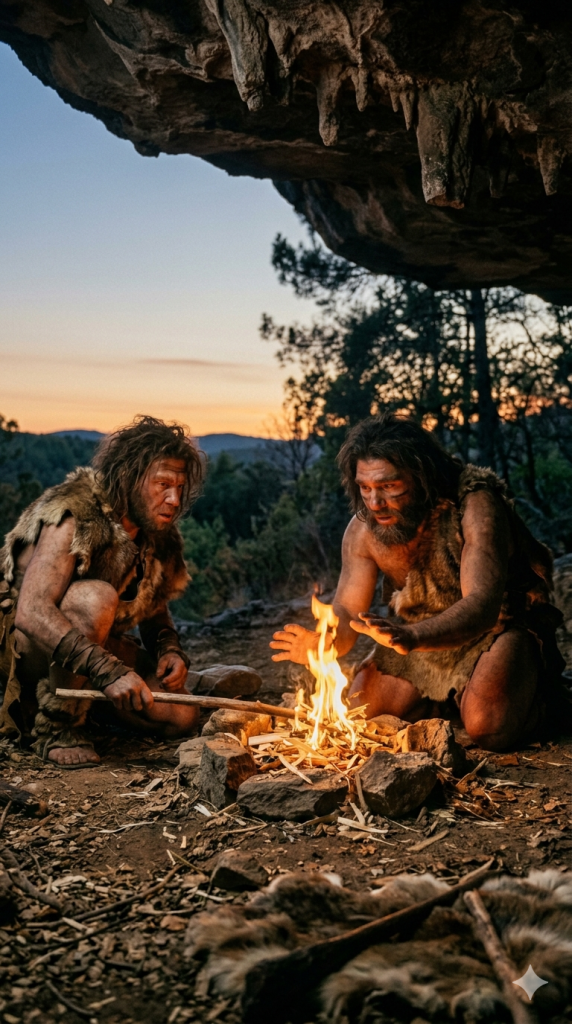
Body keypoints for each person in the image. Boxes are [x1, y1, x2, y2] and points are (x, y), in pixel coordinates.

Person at [270, 414, 568, 752]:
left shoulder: (473, 506)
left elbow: (482, 606)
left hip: (498, 628)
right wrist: (325, 642)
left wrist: (412, 636)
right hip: (419, 636)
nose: (375, 502)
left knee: (488, 726)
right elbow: (349, 611)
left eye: (389, 486)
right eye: (365, 488)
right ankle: (449, 700)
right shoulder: (363, 530)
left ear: (421, 475)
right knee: (364, 711)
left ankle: (539, 696)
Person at [0, 416, 203, 767]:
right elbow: (30, 612)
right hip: (21, 650)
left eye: (180, 488)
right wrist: (110, 672)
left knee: (180, 716)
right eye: (162, 485)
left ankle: (90, 705)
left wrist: (169, 650)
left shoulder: (158, 534)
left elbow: (154, 610)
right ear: (129, 476)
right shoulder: (75, 513)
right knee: (96, 598)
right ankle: (55, 727)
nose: (174, 499)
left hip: (90, 650)